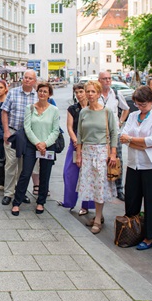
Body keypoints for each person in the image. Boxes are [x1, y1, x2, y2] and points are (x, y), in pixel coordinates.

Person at [119, 86, 152, 250]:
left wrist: (131, 140)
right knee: (132, 199)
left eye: (143, 105)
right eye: (137, 104)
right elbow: (122, 136)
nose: (140, 107)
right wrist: (139, 142)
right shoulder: (133, 116)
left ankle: (150, 236)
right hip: (134, 164)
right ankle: (131, 230)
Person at [11, 82, 60, 216]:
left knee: (45, 175)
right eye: (40, 91)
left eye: (45, 91)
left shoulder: (54, 110)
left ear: (49, 94)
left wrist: (45, 144)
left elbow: (55, 130)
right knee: (25, 173)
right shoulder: (30, 108)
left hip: (48, 146)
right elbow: (27, 127)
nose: (42, 93)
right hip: (31, 145)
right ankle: (16, 202)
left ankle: (41, 202)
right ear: (37, 92)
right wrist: (38, 143)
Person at [76, 80, 119, 234]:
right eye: (88, 91)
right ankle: (97, 216)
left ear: (99, 94)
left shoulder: (107, 111)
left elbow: (114, 133)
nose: (90, 94)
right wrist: (79, 155)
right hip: (87, 151)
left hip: (102, 151)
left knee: (100, 185)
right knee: (91, 185)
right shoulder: (83, 112)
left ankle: (98, 218)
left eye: (93, 91)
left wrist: (113, 153)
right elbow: (79, 134)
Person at [58, 83, 95, 215]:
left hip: (90, 145)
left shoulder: (94, 108)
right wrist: (75, 141)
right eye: (76, 92)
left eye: (81, 91)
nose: (79, 95)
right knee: (69, 173)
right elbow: (69, 127)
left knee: (88, 175)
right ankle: (69, 201)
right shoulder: (72, 109)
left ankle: (86, 205)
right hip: (74, 145)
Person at [1, 70, 37, 205]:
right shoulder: (13, 92)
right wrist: (6, 131)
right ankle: (8, 193)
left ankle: (20, 192)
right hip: (13, 133)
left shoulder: (37, 96)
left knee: (24, 167)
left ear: (34, 81)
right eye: (25, 78)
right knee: (11, 164)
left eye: (30, 78)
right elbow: (4, 112)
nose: (27, 80)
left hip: (29, 136)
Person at [98, 71, 130, 201]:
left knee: (117, 160)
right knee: (101, 161)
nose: (107, 81)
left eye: (109, 78)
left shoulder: (116, 94)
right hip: (99, 134)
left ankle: (119, 189)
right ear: (99, 80)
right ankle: (104, 187)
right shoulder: (95, 94)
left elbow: (126, 108)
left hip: (114, 132)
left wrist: (120, 122)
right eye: (104, 79)